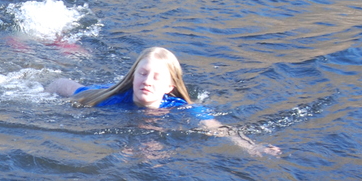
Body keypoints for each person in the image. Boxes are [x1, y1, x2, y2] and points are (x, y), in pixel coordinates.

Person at [48, 47, 281, 157]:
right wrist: (44, 97)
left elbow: (217, 128)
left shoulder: (181, 109)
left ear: (170, 86)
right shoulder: (110, 99)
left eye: (156, 77)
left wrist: (252, 147)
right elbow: (62, 84)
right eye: (142, 74)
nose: (147, 81)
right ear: (133, 76)